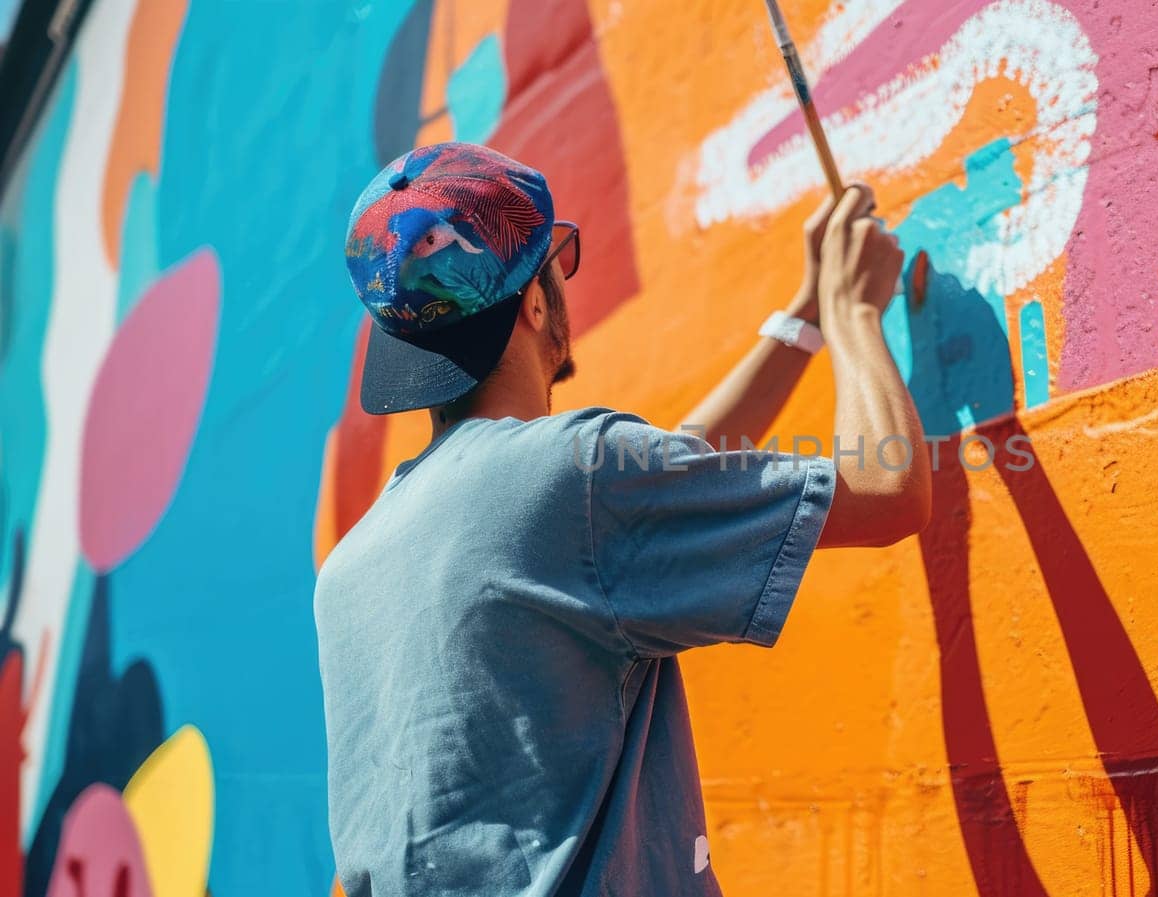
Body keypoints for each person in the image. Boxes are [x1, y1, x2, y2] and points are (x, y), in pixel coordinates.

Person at [315, 141, 930, 896]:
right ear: (535, 302)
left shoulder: (349, 569)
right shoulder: (572, 480)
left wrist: (804, 316)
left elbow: (651, 491)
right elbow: (890, 486)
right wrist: (852, 309)